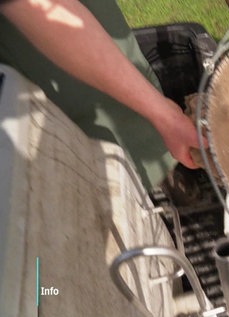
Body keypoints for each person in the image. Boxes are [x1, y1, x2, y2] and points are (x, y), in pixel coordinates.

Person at [0, 0, 203, 191]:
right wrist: (165, 116)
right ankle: (132, 193)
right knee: (93, 136)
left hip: (90, 20)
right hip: (42, 39)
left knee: (130, 72)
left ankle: (163, 170)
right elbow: (44, 11)